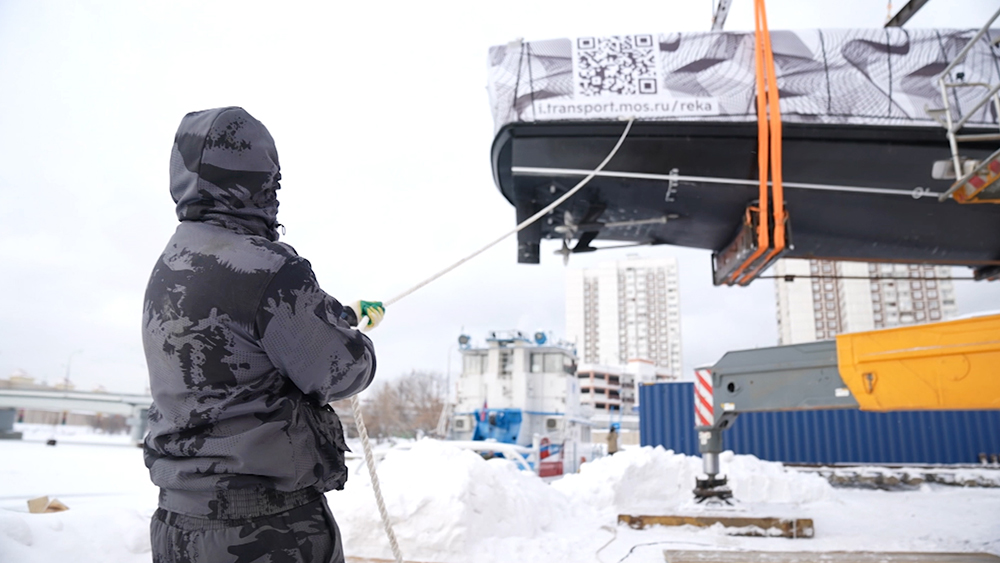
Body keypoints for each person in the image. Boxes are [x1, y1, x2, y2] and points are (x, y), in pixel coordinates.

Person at [142, 107, 384, 563]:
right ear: (261, 177)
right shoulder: (271, 268)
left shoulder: (169, 266)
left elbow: (243, 335)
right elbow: (341, 371)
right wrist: (358, 338)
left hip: (177, 528)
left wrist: (331, 313)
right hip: (264, 533)